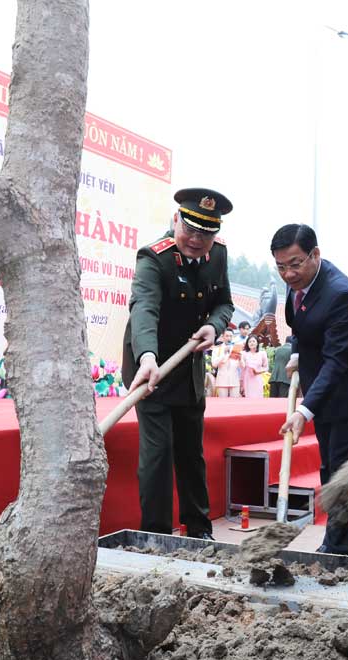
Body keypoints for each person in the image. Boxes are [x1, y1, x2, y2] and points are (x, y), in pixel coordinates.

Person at [122, 187, 235, 540]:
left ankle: (199, 531)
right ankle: (155, 536)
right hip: (151, 367)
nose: (197, 240)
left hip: (188, 368)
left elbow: (224, 304)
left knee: (191, 453)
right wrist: (148, 357)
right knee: (157, 455)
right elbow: (144, 309)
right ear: (176, 221)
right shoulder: (154, 258)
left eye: (207, 232)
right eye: (190, 229)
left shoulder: (218, 256)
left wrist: (213, 327)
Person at [273, 223, 348, 556]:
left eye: (295, 264)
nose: (289, 273)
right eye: (281, 267)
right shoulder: (297, 287)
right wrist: (296, 353)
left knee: (344, 470)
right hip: (322, 382)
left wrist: (304, 410)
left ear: (315, 255)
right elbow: (299, 326)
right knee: (328, 467)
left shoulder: (339, 294)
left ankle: (339, 549)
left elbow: (337, 362)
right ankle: (333, 540)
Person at [211, 328, 241, 398]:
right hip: (222, 380)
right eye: (227, 336)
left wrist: (241, 358)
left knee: (234, 403)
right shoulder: (217, 349)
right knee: (223, 403)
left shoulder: (237, 348)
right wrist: (224, 354)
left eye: (231, 336)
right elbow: (214, 364)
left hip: (234, 380)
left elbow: (241, 365)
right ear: (223, 337)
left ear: (233, 337)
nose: (229, 338)